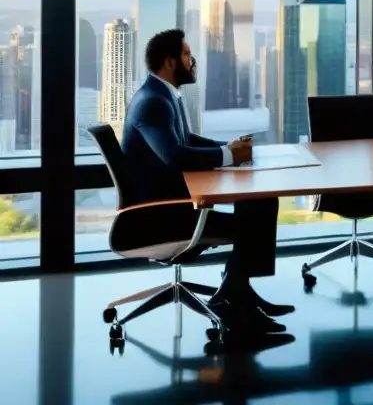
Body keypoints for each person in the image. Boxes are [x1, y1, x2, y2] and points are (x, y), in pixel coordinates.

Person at [118, 29, 293, 334]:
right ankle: (236, 298)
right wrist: (227, 154)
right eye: (187, 55)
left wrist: (229, 149)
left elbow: (185, 140)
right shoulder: (153, 103)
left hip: (171, 204)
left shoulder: (163, 94)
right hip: (159, 218)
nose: (193, 60)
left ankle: (238, 290)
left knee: (262, 201)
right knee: (254, 218)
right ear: (170, 62)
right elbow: (173, 156)